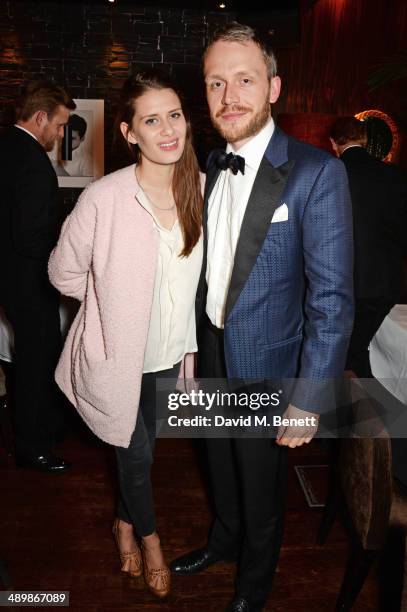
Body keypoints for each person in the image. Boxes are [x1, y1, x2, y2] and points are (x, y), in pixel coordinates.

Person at [170, 23, 354, 612]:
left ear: (274, 87)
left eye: (245, 80)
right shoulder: (206, 162)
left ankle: (255, 583)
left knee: (259, 484)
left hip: (272, 366)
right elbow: (204, 269)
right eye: (216, 82)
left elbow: (332, 299)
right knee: (217, 461)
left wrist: (309, 396)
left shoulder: (315, 173)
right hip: (214, 348)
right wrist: (191, 350)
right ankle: (223, 542)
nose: (230, 97)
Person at [48, 69, 203, 599]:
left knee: (141, 453)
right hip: (117, 358)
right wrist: (106, 308)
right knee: (134, 455)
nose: (168, 130)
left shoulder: (199, 190)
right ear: (129, 132)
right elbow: (63, 272)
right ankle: (150, 539)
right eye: (151, 120)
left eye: (175, 116)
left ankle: (122, 521)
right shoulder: (104, 197)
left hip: (168, 353)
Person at [0, 80, 75, 472]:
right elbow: (30, 236)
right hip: (30, 283)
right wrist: (67, 251)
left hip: (11, 281)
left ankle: (41, 431)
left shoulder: (5, 147)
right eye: (60, 125)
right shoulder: (30, 160)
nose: (61, 134)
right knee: (35, 364)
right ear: (41, 117)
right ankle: (35, 448)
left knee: (29, 361)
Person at [330, 116, 407, 378]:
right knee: (356, 351)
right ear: (364, 139)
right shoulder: (394, 174)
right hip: (386, 284)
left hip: (343, 285)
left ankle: (352, 411)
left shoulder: (330, 174)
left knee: (348, 354)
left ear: (333, 143)